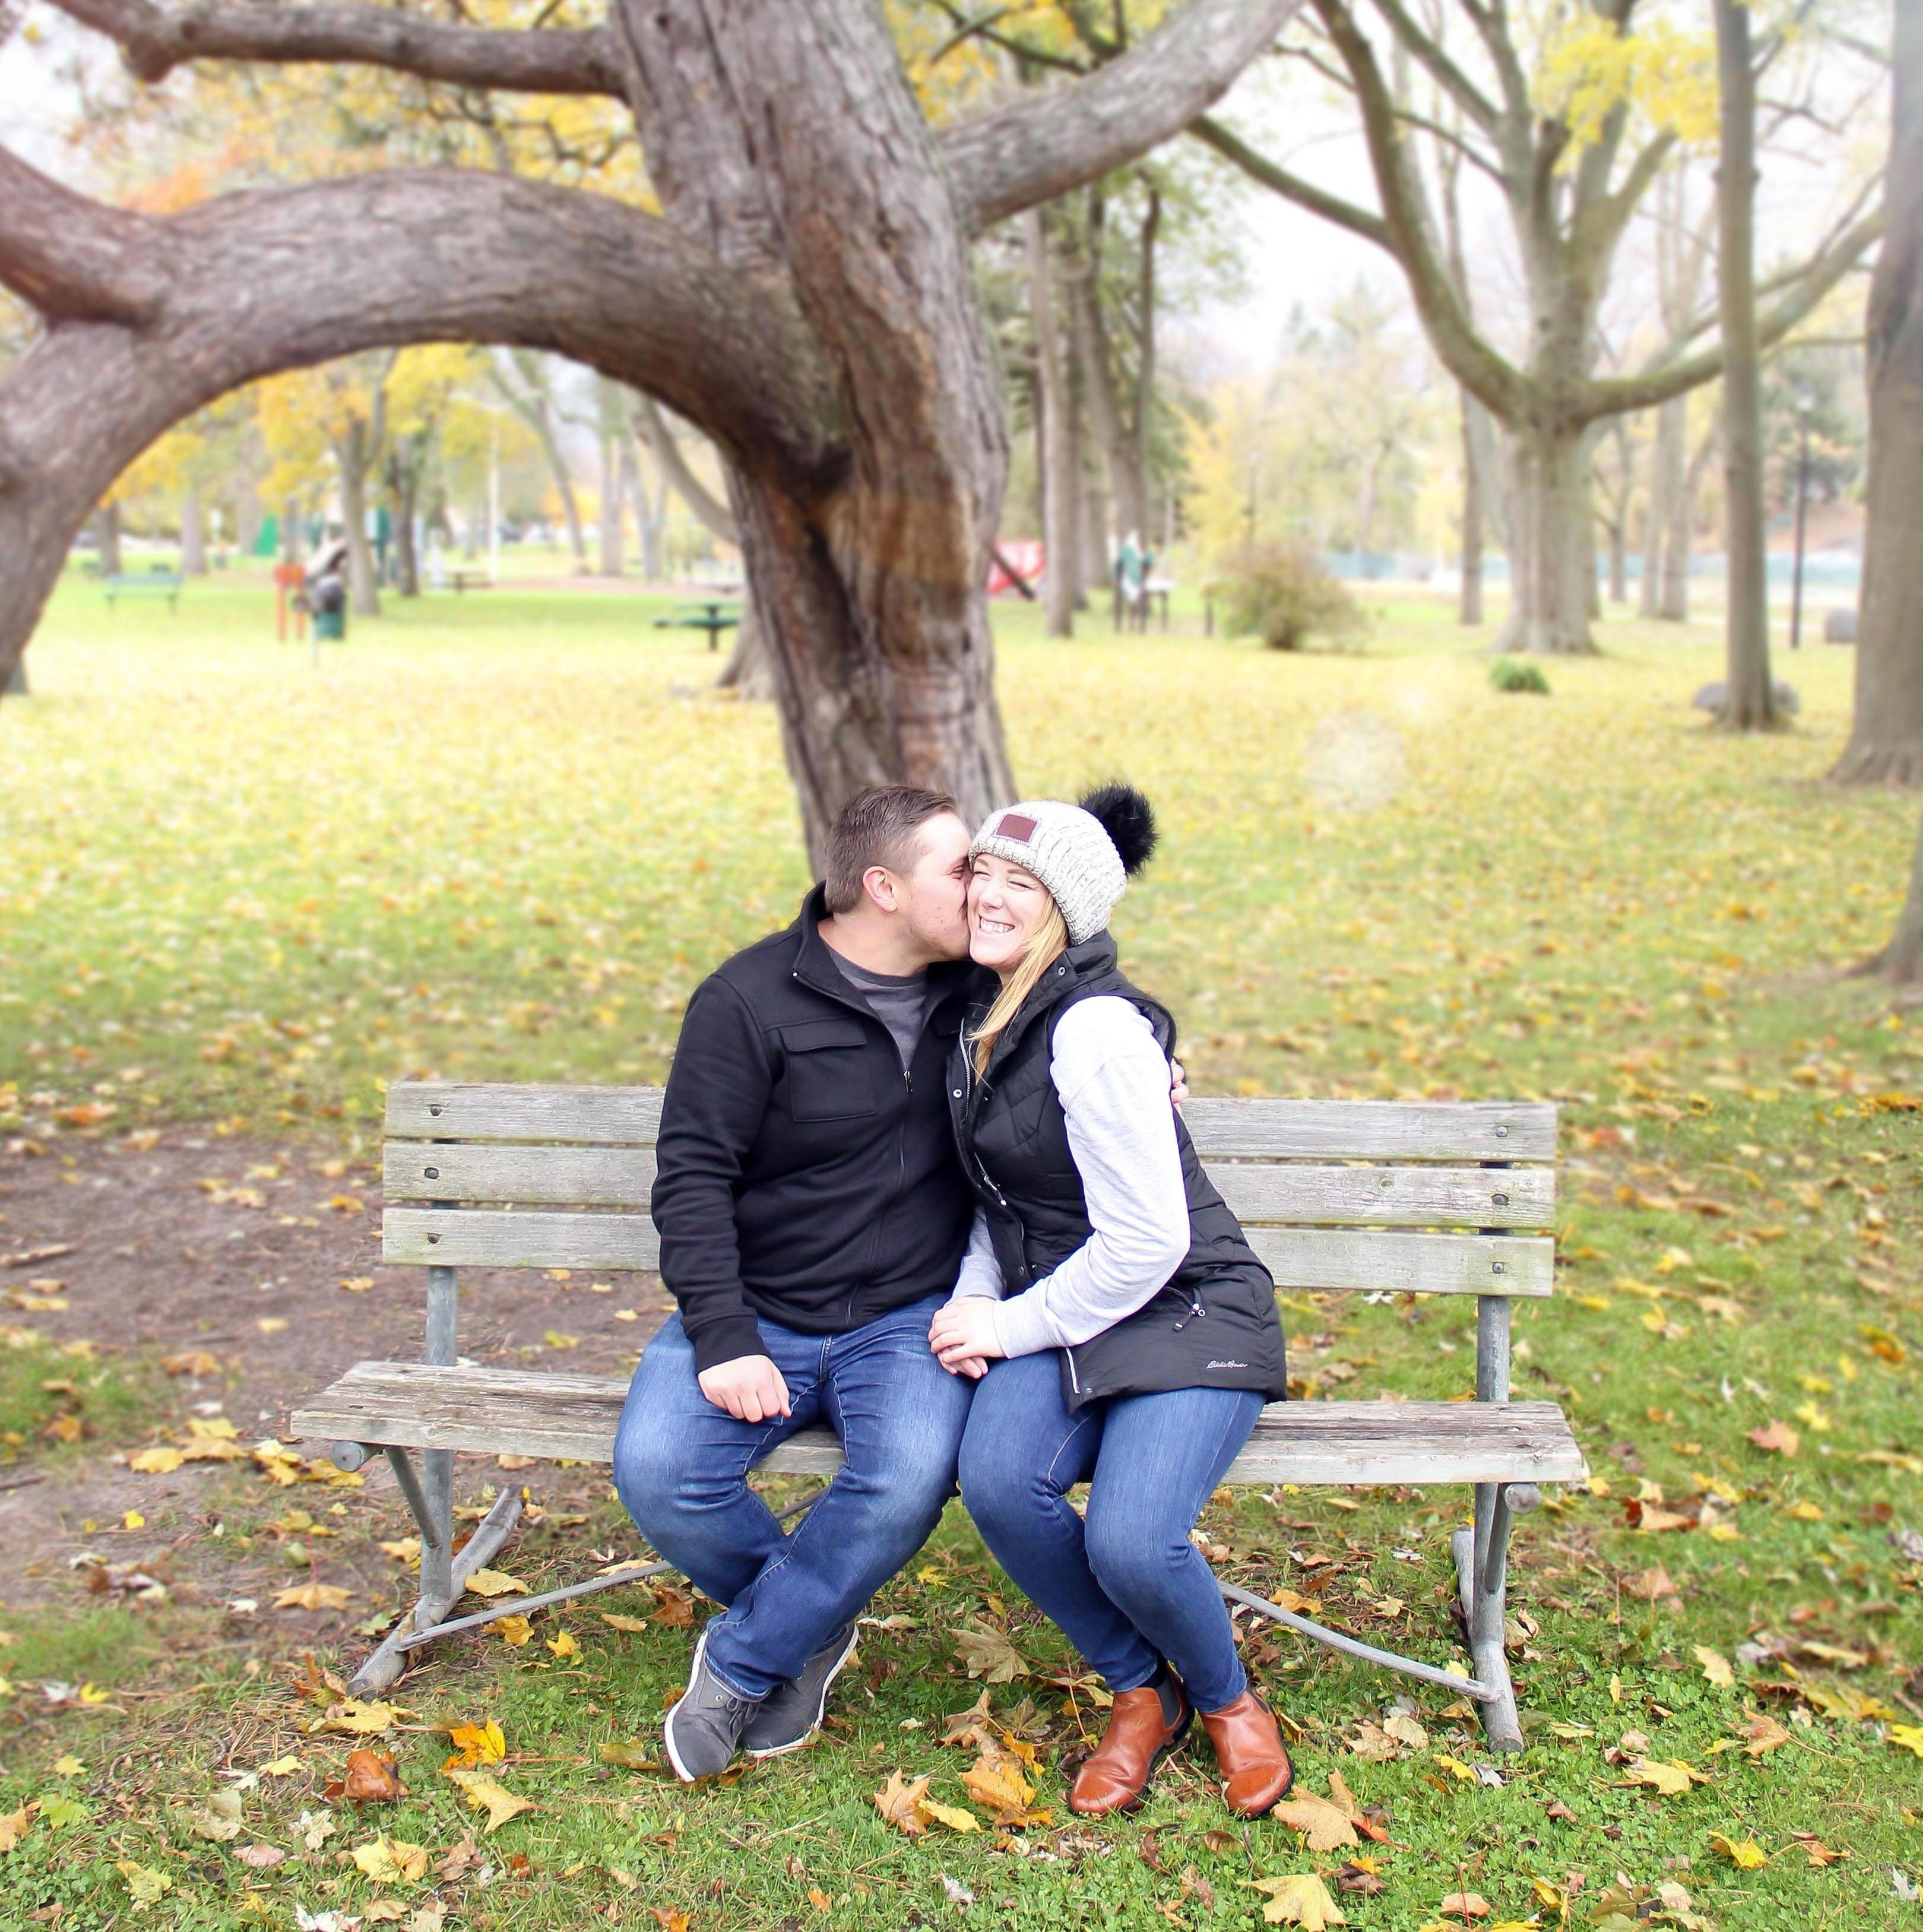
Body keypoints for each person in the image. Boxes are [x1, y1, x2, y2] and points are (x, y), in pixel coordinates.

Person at [927, 784, 1294, 1819]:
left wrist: (1005, 1325)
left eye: (1022, 884)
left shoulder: (1092, 1032)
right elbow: (996, 1199)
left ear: (1069, 912)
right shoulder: (976, 1013)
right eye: (982, 874)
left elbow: (1149, 1240)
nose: (991, 898)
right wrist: (974, 1300)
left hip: (1182, 1302)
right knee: (999, 1481)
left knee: (1131, 1539)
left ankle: (1224, 1701)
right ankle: (1143, 1691)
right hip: (1069, 1303)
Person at [612, 785, 987, 1781]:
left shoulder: (980, 990)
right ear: (883, 887)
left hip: (910, 1314)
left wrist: (1150, 1044)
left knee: (904, 1478)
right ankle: (810, 1623)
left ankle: (744, 1657)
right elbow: (691, 1180)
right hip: (763, 1307)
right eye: (959, 868)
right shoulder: (747, 1000)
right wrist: (725, 1336)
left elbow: (1096, 996)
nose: (981, 886)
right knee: (660, 1473)